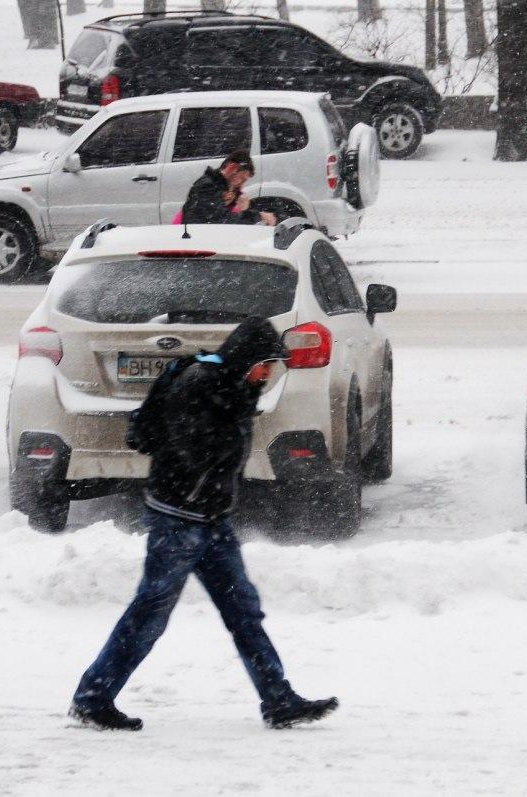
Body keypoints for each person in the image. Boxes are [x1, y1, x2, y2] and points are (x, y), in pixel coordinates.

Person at [70, 317, 338, 731]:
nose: (269, 374)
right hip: (177, 521)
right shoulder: (202, 385)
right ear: (248, 360)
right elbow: (190, 449)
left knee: (243, 611)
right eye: (266, 365)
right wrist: (223, 439)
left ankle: (278, 699)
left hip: (211, 521)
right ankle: (92, 698)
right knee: (149, 615)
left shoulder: (233, 387)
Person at [180, 149, 277, 227]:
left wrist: (247, 209)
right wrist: (257, 216)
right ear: (231, 168)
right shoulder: (207, 186)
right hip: (198, 239)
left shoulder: (224, 188)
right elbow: (223, 220)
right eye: (242, 179)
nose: (241, 184)